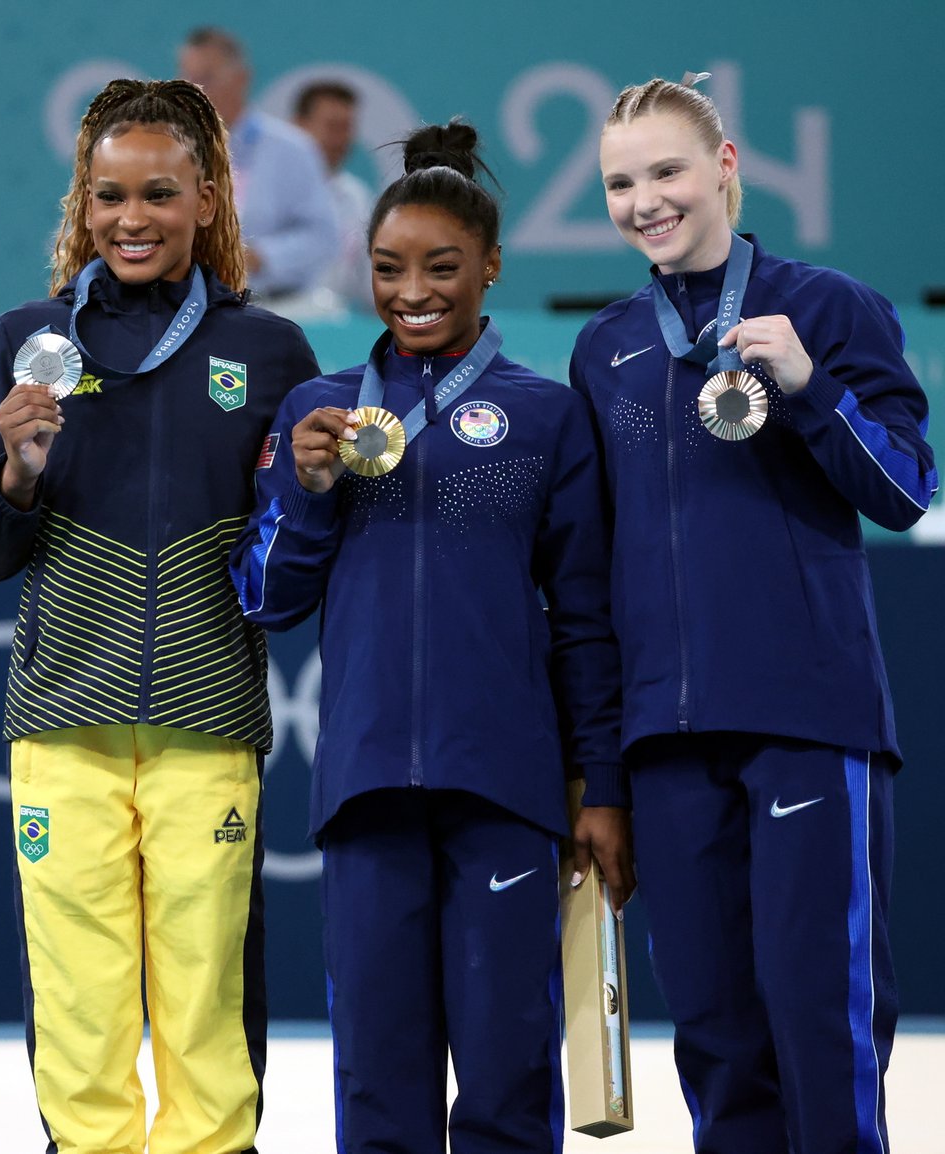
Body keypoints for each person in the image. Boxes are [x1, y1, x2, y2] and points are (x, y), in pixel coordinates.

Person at [230, 120, 635, 1153]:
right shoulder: (319, 408)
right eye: (386, 268)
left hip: (503, 789)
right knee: (377, 1079)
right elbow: (268, 596)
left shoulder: (544, 416)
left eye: (442, 266)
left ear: (490, 265)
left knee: (507, 1071)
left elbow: (584, 617)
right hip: (365, 786)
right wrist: (310, 492)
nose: (412, 289)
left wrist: (599, 784)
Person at [0, 78, 321, 1154]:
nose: (130, 218)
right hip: (62, 723)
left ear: (206, 197)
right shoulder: (25, 340)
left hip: (208, 724)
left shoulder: (268, 352)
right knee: (79, 999)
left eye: (157, 192)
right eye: (107, 194)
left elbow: (281, 573)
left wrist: (313, 495)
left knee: (206, 997)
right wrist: (18, 471)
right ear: (83, 199)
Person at [570, 71, 938, 1154]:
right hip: (668, 742)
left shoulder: (828, 306)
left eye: (667, 170)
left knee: (820, 1019)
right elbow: (586, 576)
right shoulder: (607, 348)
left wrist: (811, 386)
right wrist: (605, 764)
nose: (646, 199)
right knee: (719, 1040)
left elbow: (905, 488)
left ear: (725, 168)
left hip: (805, 723)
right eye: (619, 182)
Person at [178, 26, 338, 303]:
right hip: (188, 306)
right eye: (187, 79)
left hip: (275, 305)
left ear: (241, 79)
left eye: (205, 78)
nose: (193, 91)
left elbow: (322, 236)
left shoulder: (291, 149)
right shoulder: (171, 150)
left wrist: (261, 256)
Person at [293, 80, 376, 312]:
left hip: (331, 327)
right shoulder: (263, 193)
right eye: (331, 126)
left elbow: (370, 283)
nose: (340, 139)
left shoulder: (357, 197)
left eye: (347, 127)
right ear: (298, 125)